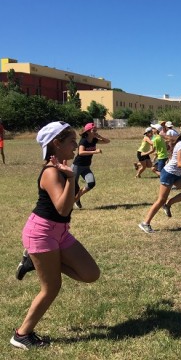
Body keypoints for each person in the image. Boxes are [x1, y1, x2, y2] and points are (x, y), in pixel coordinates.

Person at [11, 121, 100, 349]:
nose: (75, 146)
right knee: (51, 287)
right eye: (71, 142)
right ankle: (22, 334)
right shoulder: (52, 173)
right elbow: (62, 208)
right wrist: (71, 179)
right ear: (56, 144)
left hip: (59, 233)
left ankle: (36, 260)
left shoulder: (62, 168)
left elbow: (66, 207)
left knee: (91, 273)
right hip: (41, 234)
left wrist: (71, 181)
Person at [138, 123, 181, 233]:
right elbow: (180, 164)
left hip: (177, 175)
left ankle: (168, 204)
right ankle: (145, 223)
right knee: (161, 200)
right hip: (169, 173)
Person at [72, 123, 110, 208]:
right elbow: (81, 152)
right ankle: (67, 202)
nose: (96, 131)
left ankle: (76, 198)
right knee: (73, 187)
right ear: (88, 131)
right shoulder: (83, 140)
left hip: (86, 167)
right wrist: (95, 151)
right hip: (77, 166)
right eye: (94, 130)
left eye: (96, 130)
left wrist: (99, 136)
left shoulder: (94, 140)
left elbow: (107, 141)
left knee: (91, 183)